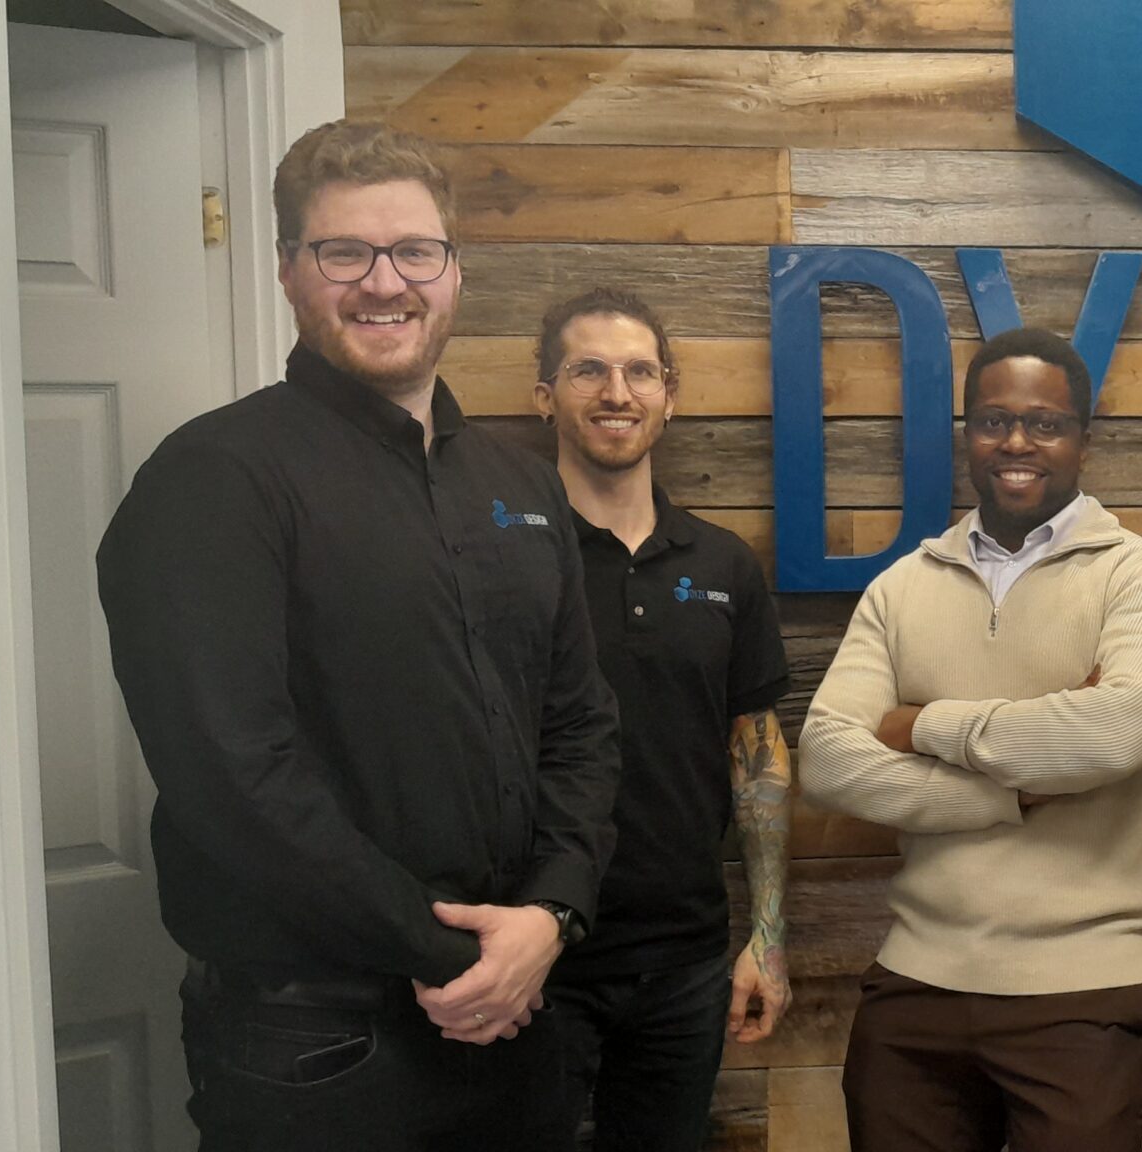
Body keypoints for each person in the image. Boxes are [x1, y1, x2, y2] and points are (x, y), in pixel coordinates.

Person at [95, 119, 619, 1151]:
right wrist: (452, 954)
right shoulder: (213, 481)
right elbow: (234, 777)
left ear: (454, 271)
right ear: (289, 270)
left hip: (520, 1015)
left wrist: (550, 916)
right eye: (345, 253)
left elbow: (580, 726)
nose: (386, 283)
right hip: (316, 1044)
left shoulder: (520, 485)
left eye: (415, 252)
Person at [799, 327, 1142, 1152]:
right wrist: (1011, 792)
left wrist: (921, 725)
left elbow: (1114, 732)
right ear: (968, 435)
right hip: (915, 983)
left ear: (1084, 440)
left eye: (1045, 423)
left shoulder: (1141, 577)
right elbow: (829, 760)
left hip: (1085, 988)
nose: (1017, 442)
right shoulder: (901, 586)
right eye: (993, 421)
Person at [528, 288, 794, 1151]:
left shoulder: (722, 565)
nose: (617, 392)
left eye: (640, 372)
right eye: (589, 371)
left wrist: (766, 935)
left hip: (683, 962)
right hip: (534, 953)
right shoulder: (506, 558)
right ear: (545, 397)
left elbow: (756, 754)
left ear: (670, 396)